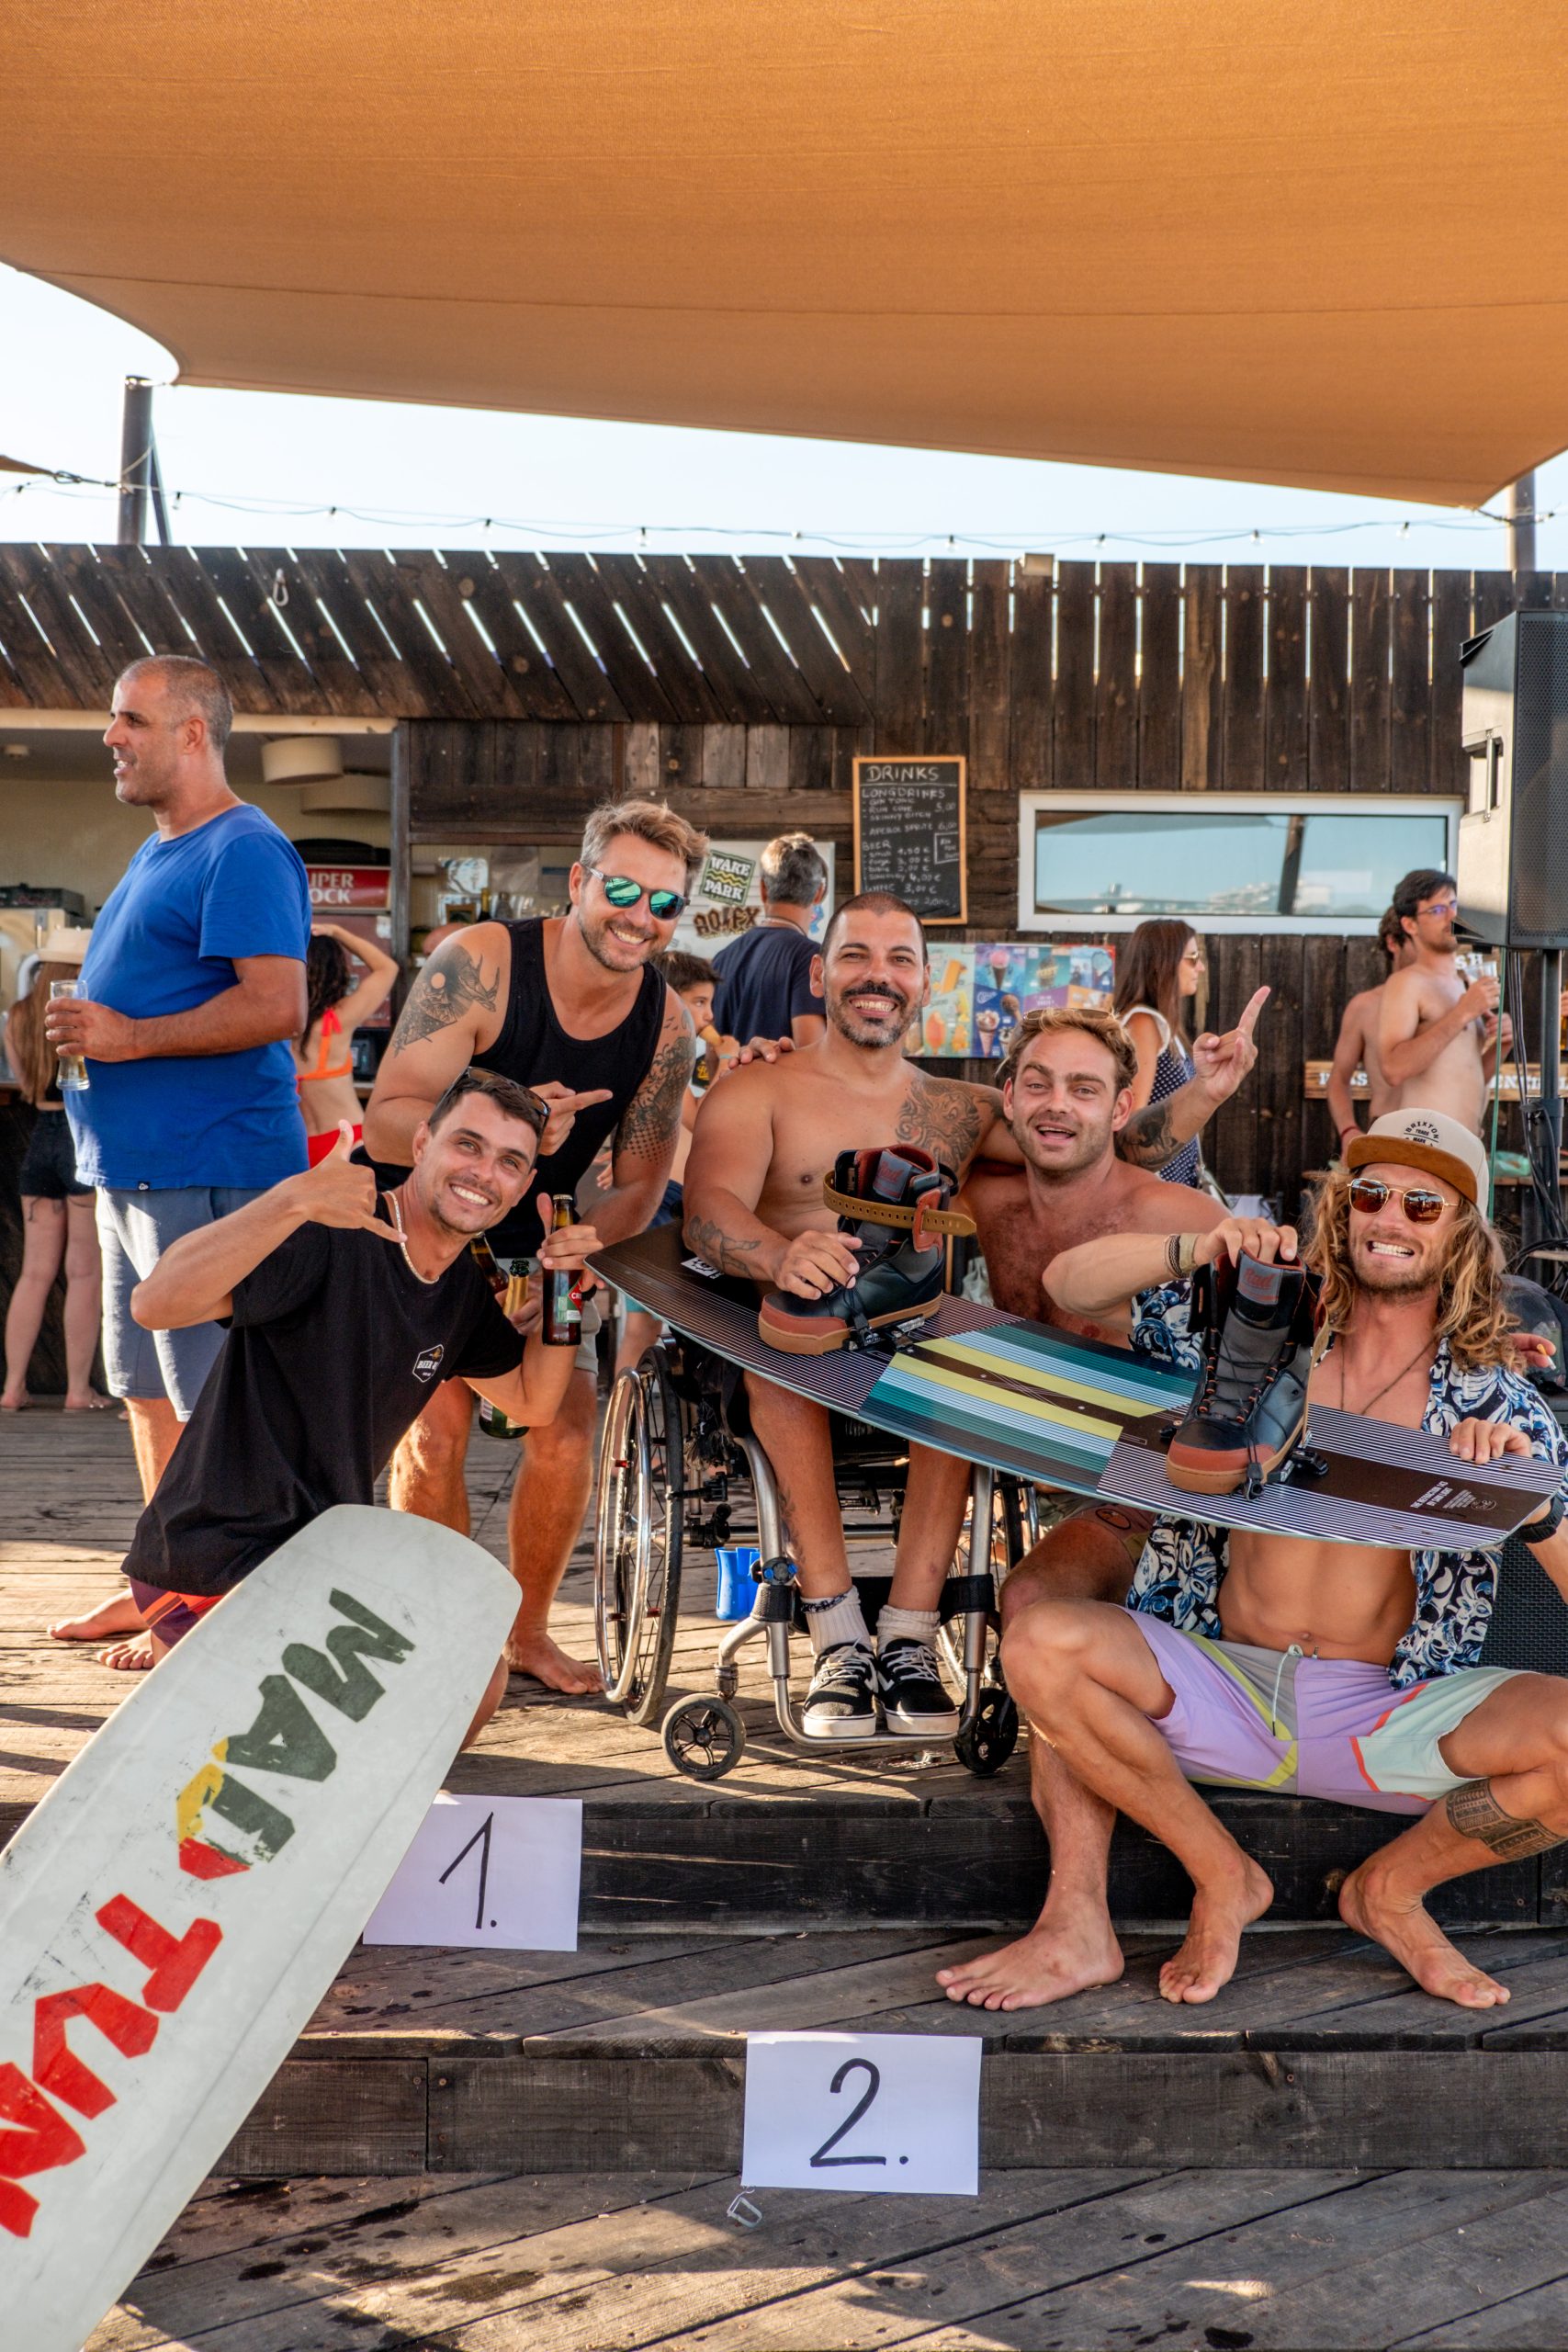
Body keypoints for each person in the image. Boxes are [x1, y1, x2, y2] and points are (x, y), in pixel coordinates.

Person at [985, 1107, 1568, 2016]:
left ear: (1462, 1233)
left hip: (1387, 1712)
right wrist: (1198, 1245)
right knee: (1038, 1641)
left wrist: (1529, 1505)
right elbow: (1069, 1282)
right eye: (1371, 1194)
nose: (1390, 1218)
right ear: (1343, 1208)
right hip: (1221, 1681)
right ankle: (1223, 1875)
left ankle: (1390, 1892)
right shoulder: (1257, 1334)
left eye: (1422, 1205)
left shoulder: (1496, 1400)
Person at [682, 892, 1267, 1740]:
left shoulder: (954, 1110)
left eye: (898, 960)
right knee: (787, 1358)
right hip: (779, 1327)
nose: (877, 976)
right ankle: (838, 1636)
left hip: (902, 1326)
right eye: (855, 956)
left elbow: (1097, 1137)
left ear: (924, 983)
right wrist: (778, 1256)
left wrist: (1204, 1095)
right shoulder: (759, 1088)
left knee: (964, 1360)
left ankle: (908, 1636)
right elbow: (708, 1208)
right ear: (817, 974)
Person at [116, 1069, 600, 1745]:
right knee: (347, 1727)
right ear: (423, 1143)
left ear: (523, 1187)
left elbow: (534, 1401)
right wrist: (291, 1199)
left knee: (474, 1677)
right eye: (467, 1144)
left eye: (509, 1162)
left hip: (320, 1560)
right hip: (213, 1558)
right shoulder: (331, 1230)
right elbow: (154, 1303)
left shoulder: (458, 1287)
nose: (483, 1172)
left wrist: (563, 1291)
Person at [363, 797, 705, 1693]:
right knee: (435, 1432)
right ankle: (438, 1635)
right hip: (431, 1228)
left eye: (664, 903)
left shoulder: (668, 1026)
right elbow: (390, 1119)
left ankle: (525, 1633)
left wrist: (582, 1254)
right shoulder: (480, 962)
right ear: (579, 881)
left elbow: (638, 1185)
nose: (639, 916)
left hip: (546, 1245)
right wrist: (505, 1113)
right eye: (622, 889)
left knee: (567, 1436)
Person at [42, 654, 311, 1667]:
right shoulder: (160, 847)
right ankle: (164, 1588)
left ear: (194, 732)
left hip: (212, 1170)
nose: (111, 737)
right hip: (133, 1172)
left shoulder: (243, 848)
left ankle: (217, 1615)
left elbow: (278, 1006)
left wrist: (126, 1037)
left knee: (210, 1404)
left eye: (130, 720)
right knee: (145, 1393)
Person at [1, 930, 111, 1415]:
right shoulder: (88, 1012)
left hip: (40, 1141)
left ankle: (13, 1388)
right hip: (80, 1136)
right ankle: (77, 1391)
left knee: (33, 1273)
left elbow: (26, 1084)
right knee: (84, 1273)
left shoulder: (20, 1015)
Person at [615, 948, 731, 1377]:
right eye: (699, 1002)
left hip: (660, 1196)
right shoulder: (668, 1051)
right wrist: (726, 1065)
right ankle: (636, 1409)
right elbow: (702, 1121)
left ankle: (628, 1409)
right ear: (670, 999)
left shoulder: (650, 1047)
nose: (709, 1015)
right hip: (662, 1199)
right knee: (657, 1322)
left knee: (642, 1325)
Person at [1379, 869, 1506, 1133]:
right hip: (1424, 1142)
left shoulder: (1464, 982)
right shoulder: (1406, 982)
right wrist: (1462, 1013)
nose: (1452, 916)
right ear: (1410, 925)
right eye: (1437, 910)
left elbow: (1464, 1077)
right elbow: (1393, 1069)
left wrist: (1503, 1045)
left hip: (1466, 1142)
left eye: (1454, 905)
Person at [293, 921, 400, 1165]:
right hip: (347, 1140)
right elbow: (387, 968)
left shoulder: (280, 1025)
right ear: (335, 970)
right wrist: (337, 931)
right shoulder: (338, 1019)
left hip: (299, 1146)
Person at [711, 831, 828, 1049]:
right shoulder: (810, 959)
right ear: (818, 894)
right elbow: (812, 1053)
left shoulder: (722, 959)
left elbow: (713, 1054)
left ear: (763, 890)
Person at [1112, 920, 1206, 1188]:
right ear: (1163, 963)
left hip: (1172, 1181)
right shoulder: (1143, 1023)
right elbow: (1132, 1122)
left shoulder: (1159, 1023)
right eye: (1193, 958)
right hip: (1155, 1184)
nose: (1200, 967)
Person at [1325, 905, 1413, 1148]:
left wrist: (1501, 1045)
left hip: (1445, 1139)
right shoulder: (1366, 1006)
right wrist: (1348, 1131)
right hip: (1387, 1136)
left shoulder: (1457, 1004)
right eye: (1420, 941)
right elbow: (1338, 1079)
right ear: (1393, 943)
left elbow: (1472, 1080)